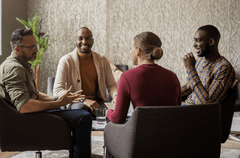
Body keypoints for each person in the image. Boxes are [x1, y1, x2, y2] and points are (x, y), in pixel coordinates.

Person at [0, 28, 92, 158]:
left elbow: (35, 94)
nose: (36, 50)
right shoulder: (14, 69)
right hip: (25, 120)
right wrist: (58, 103)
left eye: (35, 46)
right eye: (32, 47)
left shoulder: (21, 64)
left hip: (28, 115)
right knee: (83, 117)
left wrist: (58, 98)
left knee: (81, 113)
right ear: (17, 49)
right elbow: (24, 106)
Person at [106, 31, 182, 123]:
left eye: (131, 48)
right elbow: (177, 112)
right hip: (171, 135)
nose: (130, 52)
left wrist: (108, 112)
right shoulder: (173, 76)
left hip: (142, 135)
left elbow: (118, 118)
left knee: (110, 127)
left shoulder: (127, 77)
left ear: (138, 51)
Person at [53, 27, 117, 114]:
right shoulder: (66, 61)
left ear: (92, 41)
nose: (84, 42)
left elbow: (112, 85)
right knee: (83, 109)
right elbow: (57, 90)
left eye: (88, 38)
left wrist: (116, 96)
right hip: (76, 103)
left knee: (116, 112)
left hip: (99, 103)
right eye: (80, 38)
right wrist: (83, 100)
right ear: (75, 41)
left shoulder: (102, 60)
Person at [181, 25, 235, 106]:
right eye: (194, 41)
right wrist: (169, 94)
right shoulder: (199, 61)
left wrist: (190, 69)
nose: (194, 45)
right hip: (185, 106)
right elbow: (190, 86)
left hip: (198, 114)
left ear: (211, 42)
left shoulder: (224, 67)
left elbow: (207, 103)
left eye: (198, 41)